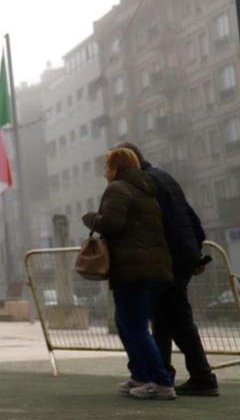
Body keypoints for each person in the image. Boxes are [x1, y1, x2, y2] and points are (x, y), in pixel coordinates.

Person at [115, 142, 219, 397]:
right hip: (181, 255)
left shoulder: (147, 184)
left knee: (177, 320)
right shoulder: (164, 178)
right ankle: (164, 376)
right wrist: (194, 254)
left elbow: (161, 224)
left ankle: (197, 377)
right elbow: (189, 216)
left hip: (169, 258)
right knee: (164, 319)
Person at [82, 147, 175, 400]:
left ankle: (161, 381)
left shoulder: (118, 189)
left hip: (133, 270)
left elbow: (112, 225)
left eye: (106, 167)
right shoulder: (146, 191)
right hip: (154, 268)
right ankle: (141, 376)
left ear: (114, 167)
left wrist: (90, 218)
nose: (104, 172)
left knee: (134, 326)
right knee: (128, 324)